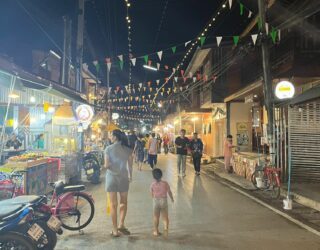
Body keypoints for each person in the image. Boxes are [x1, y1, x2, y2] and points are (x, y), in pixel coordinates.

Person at [104, 129, 133, 237]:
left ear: (115, 137)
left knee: (113, 205)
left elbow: (106, 165)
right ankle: (121, 224)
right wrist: (131, 176)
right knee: (124, 202)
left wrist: (108, 165)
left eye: (111, 135)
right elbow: (130, 165)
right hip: (124, 178)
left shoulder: (108, 149)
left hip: (111, 178)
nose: (110, 137)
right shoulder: (128, 149)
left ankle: (115, 230)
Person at [150, 168, 174, 236]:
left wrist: (153, 198)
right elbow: (169, 191)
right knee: (165, 216)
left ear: (153, 176)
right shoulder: (165, 183)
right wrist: (172, 198)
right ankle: (166, 229)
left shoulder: (152, 184)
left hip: (156, 201)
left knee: (156, 217)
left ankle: (156, 231)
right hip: (164, 201)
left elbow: (151, 193)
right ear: (161, 175)